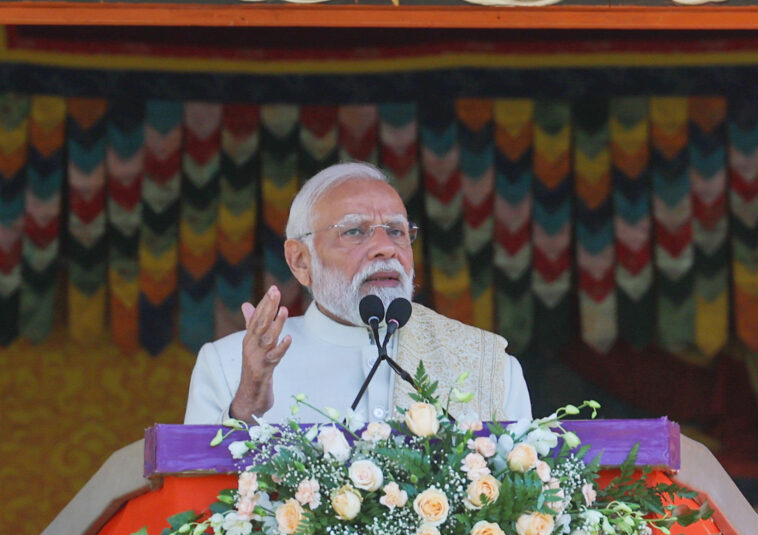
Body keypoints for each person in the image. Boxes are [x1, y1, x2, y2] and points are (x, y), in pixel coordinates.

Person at [184, 162, 531, 424]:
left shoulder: (489, 364)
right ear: (300, 260)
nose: (385, 249)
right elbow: (198, 506)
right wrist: (245, 407)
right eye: (354, 232)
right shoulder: (228, 366)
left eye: (396, 231)